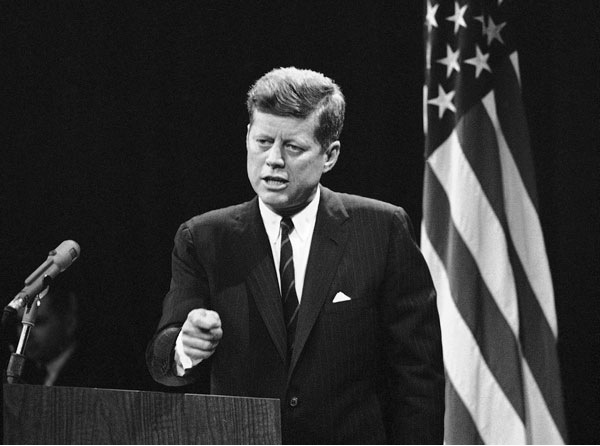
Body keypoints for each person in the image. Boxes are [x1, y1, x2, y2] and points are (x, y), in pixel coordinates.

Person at [147, 67, 444, 444]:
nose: (273, 160)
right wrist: (183, 348)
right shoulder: (204, 238)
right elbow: (162, 358)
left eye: (293, 147)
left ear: (329, 154)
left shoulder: (382, 230)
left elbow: (418, 376)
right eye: (262, 142)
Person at [10, 281, 126, 388]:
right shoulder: (23, 373)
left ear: (69, 322)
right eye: (21, 324)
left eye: (38, 322)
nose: (25, 334)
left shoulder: (100, 373)